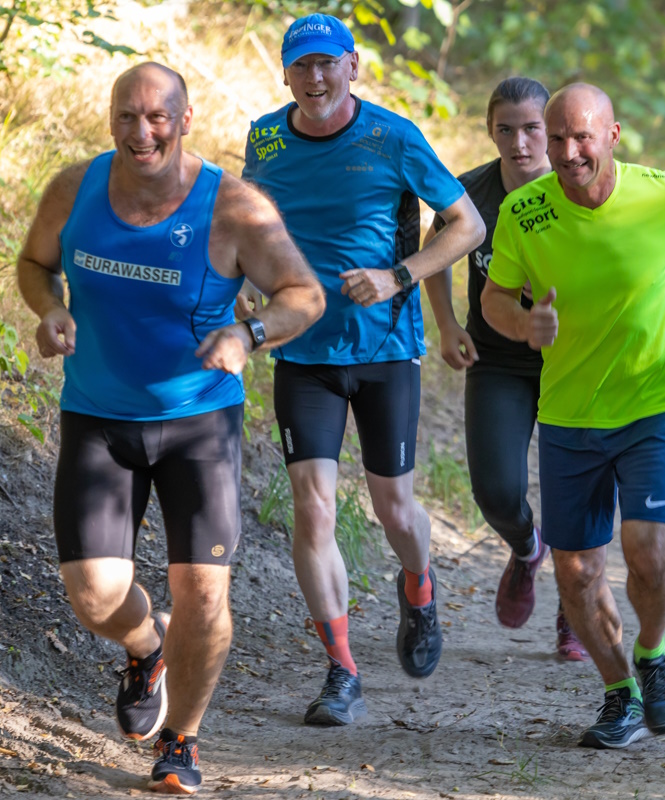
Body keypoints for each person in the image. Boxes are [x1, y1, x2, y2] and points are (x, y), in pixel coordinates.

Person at [16, 63, 324, 794]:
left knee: (205, 593)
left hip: (198, 423)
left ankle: (181, 741)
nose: (141, 131)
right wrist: (49, 310)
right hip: (97, 416)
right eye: (127, 115)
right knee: (93, 596)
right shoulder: (76, 188)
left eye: (158, 117)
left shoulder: (233, 208)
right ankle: (144, 646)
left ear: (185, 121)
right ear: (111, 117)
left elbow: (303, 295)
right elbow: (34, 264)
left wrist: (249, 334)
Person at [481, 83, 665, 749]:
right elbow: (493, 299)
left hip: (652, 403)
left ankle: (653, 655)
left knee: (647, 546)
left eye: (582, 137)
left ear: (613, 135)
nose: (569, 153)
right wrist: (523, 322)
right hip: (570, 412)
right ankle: (618, 693)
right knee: (575, 569)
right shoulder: (524, 211)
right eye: (557, 139)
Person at [238, 14, 484, 727]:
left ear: (352, 67)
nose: (315, 79)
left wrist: (398, 275)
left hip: (384, 351)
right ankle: (341, 671)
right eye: (301, 66)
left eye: (327, 64)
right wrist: (252, 283)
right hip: (303, 352)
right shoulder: (266, 136)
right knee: (312, 509)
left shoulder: (393, 136)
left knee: (393, 508)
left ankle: (419, 584)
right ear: (286, 74)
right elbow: (255, 222)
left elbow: (467, 224)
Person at [424, 77, 587, 661]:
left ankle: (578, 611)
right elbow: (435, 246)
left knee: (574, 495)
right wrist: (446, 324)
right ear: (490, 132)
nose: (520, 142)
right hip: (497, 357)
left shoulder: (582, 187)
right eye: (505, 130)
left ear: (554, 130)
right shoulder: (472, 192)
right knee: (496, 491)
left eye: (532, 128)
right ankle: (525, 547)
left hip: (575, 359)